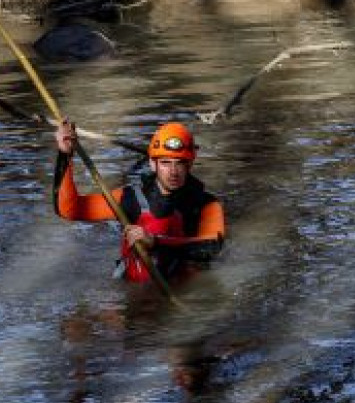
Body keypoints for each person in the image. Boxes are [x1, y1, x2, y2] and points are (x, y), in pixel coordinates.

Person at [52, 119, 225, 283]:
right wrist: (65, 156)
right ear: (152, 163)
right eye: (165, 163)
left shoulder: (206, 204)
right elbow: (69, 209)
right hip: (134, 291)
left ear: (190, 164)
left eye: (179, 163)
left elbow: (211, 246)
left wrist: (155, 242)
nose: (173, 172)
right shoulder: (130, 198)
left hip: (181, 290)